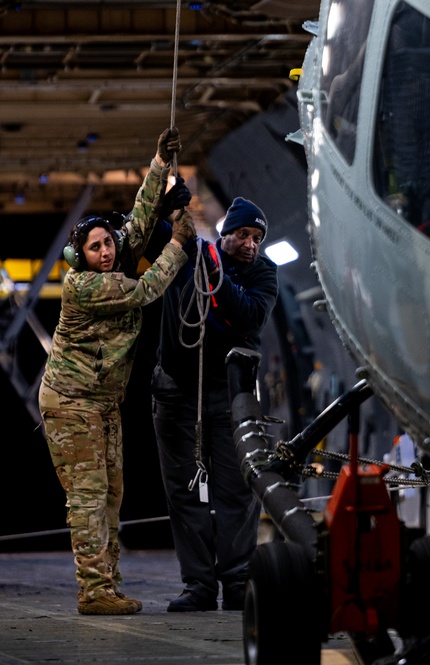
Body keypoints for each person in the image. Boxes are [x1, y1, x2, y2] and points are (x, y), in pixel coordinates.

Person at [38, 128, 197, 616]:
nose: (106, 252)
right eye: (95, 248)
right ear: (78, 257)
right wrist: (180, 243)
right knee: (88, 497)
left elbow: (143, 219)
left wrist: (159, 166)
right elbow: (146, 289)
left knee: (111, 494)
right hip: (71, 403)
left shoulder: (113, 255)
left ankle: (107, 583)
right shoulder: (85, 287)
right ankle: (93, 591)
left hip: (102, 404)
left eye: (108, 244)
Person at [150, 191, 279, 612]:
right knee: (186, 493)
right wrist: (162, 201)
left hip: (230, 396)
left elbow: (247, 317)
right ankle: (199, 586)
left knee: (236, 493)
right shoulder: (187, 251)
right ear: (226, 232)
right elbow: (148, 231)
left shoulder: (264, 275)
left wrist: (214, 271)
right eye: (242, 234)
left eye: (257, 237)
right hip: (176, 391)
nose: (251, 244)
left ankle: (238, 583)